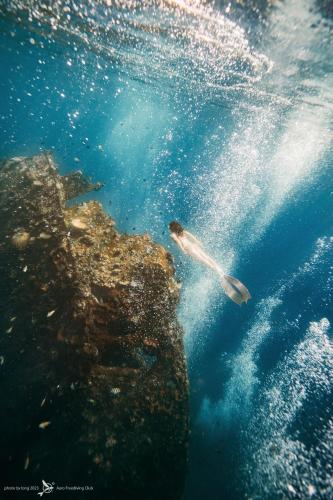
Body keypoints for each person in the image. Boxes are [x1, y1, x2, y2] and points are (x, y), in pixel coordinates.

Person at [169, 221, 251, 305]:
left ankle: (219, 274)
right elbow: (193, 237)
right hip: (193, 245)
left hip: (188, 248)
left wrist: (183, 250)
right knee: (208, 258)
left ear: (172, 228)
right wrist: (198, 242)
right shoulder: (183, 231)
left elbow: (179, 243)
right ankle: (220, 270)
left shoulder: (173, 235)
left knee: (204, 261)